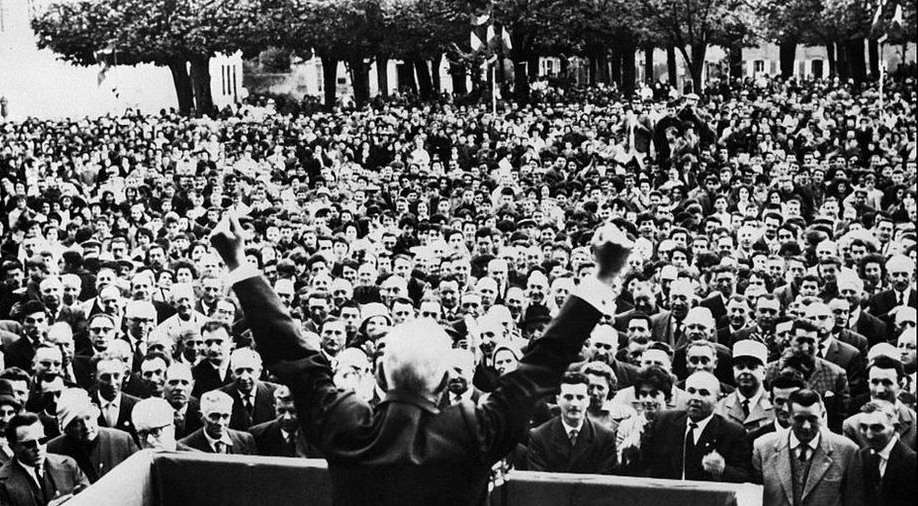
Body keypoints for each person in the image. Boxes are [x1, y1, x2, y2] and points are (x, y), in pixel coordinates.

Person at [211, 215, 631, 504]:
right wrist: (604, 275)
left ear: (378, 373)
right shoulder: (473, 429)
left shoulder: (344, 424)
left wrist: (237, 263)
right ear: (449, 379)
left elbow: (293, 355)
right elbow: (543, 364)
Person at [635, 371, 751, 482]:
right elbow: (645, 464)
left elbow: (745, 476)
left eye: (703, 393)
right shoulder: (663, 422)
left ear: (717, 400)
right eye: (691, 391)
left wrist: (723, 469)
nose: (695, 398)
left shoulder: (732, 432)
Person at [752, 389, 860, 506]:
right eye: (799, 419)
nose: (806, 426)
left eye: (812, 419)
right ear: (788, 417)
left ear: (822, 416)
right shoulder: (763, 447)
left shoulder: (847, 450)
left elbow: (853, 500)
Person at [0, 412, 90, 506]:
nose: (38, 448)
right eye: (29, 444)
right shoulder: (0, 485)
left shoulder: (68, 465)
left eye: (42, 440)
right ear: (12, 447)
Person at [526, 371, 616, 474]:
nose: (574, 403)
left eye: (580, 397)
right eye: (568, 397)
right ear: (558, 400)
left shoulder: (605, 437)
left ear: (588, 400)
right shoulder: (539, 437)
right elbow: (538, 484)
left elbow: (606, 484)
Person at [46, 389, 138, 484]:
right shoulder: (53, 450)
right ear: (67, 429)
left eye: (88, 418)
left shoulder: (121, 440)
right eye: (77, 423)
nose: (86, 426)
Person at [846, 400, 917, 506]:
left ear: (895, 428)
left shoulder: (911, 461)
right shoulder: (861, 457)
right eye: (864, 428)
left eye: (877, 428)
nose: (869, 435)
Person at [715, 340, 774, 433]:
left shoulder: (774, 406)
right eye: (740, 367)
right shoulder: (721, 406)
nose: (745, 372)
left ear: (764, 373)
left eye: (752, 367)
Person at [248, 386, 321, 458]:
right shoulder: (258, 436)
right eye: (281, 411)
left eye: (293, 411)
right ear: (274, 408)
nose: (287, 417)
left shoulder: (316, 435)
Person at [178, 390, 256, 455]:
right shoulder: (185, 446)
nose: (220, 423)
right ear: (201, 416)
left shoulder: (246, 440)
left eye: (225, 416)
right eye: (214, 416)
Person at [218, 348, 277, 431]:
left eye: (250, 370)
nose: (244, 377)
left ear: (259, 371)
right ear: (231, 373)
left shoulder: (275, 393)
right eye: (239, 371)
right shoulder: (220, 397)